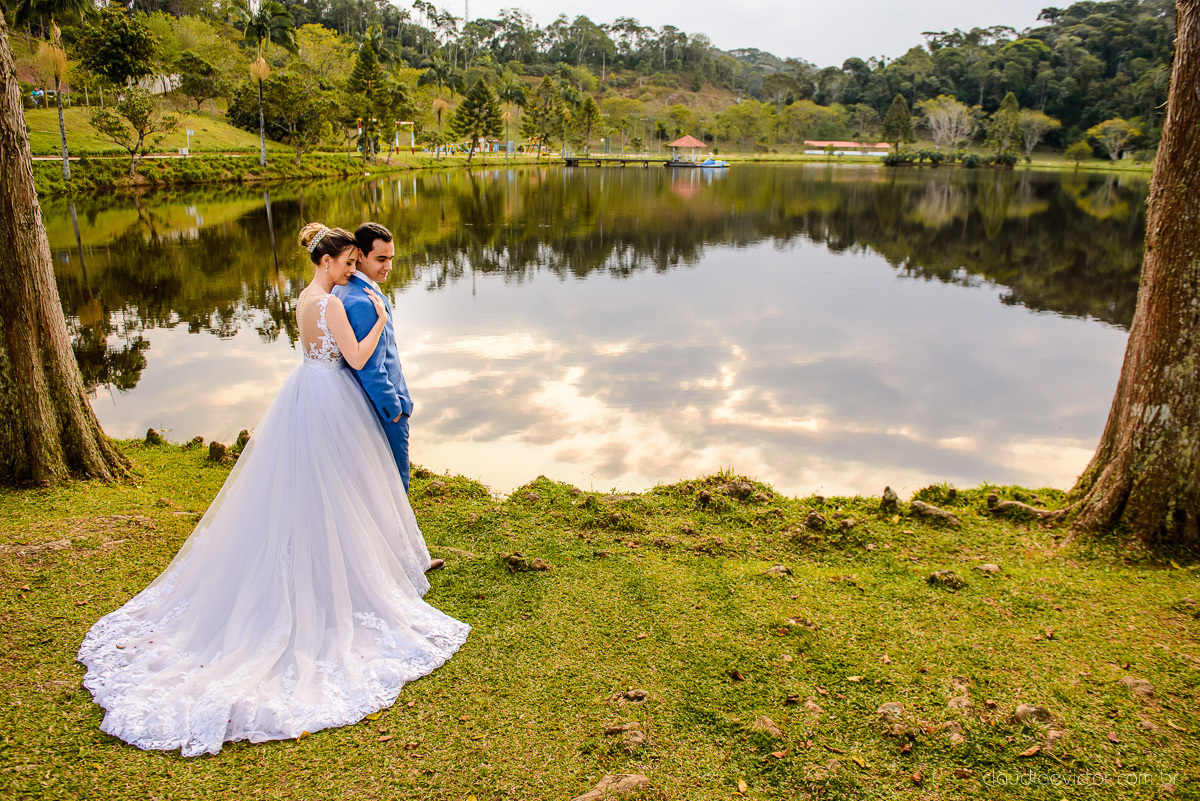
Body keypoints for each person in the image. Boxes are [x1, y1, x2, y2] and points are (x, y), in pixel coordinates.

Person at [76, 223, 469, 757]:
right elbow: (356, 359)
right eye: (347, 262)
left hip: (305, 389)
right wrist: (378, 318)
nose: (352, 270)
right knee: (338, 486)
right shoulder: (331, 303)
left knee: (311, 485)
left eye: (356, 263)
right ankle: (343, 572)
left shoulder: (305, 298)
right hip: (330, 396)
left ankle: (332, 557)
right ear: (327, 261)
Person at [333, 223, 413, 491]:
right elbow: (370, 367)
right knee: (396, 484)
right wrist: (394, 411)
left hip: (366, 407)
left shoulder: (346, 288)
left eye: (391, 258)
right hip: (384, 410)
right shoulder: (360, 301)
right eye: (380, 259)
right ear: (360, 255)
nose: (388, 266)